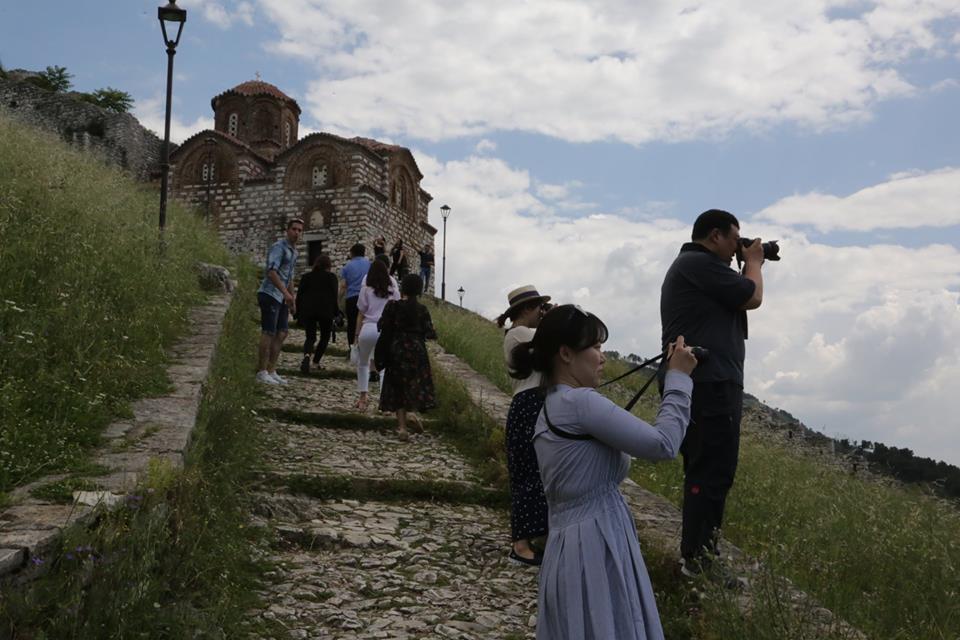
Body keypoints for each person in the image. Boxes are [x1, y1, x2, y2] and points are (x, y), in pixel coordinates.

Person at [511, 304, 697, 639]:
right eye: (595, 347)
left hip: (568, 545)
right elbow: (663, 444)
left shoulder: (552, 403)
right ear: (566, 354)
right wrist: (679, 378)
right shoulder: (581, 403)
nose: (602, 357)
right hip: (597, 544)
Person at [659, 208, 765, 577]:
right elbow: (751, 296)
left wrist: (744, 259)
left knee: (705, 469)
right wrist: (754, 262)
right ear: (716, 236)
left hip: (704, 381)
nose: (739, 246)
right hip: (710, 382)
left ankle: (699, 554)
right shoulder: (698, 263)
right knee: (713, 470)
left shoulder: (696, 267)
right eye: (735, 239)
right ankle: (699, 560)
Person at [497, 285, 552, 566]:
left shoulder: (525, 336)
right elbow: (554, 337)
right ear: (528, 309)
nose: (543, 313)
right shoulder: (519, 334)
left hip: (533, 403)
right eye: (540, 308)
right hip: (529, 405)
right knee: (528, 474)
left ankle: (532, 538)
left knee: (536, 472)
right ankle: (520, 545)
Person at [377, 274, 437, 441]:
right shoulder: (422, 310)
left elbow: (381, 325)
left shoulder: (392, 306)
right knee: (414, 383)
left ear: (402, 288)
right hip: (417, 350)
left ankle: (402, 428)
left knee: (397, 386)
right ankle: (412, 413)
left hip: (397, 349)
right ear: (419, 291)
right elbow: (430, 333)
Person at [256, 218, 303, 385]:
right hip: (270, 293)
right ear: (287, 230)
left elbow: (289, 277)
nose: (297, 233)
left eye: (299, 230)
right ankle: (261, 371)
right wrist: (285, 292)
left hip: (282, 296)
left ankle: (271, 369)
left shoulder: (294, 252)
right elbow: (271, 271)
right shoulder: (279, 247)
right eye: (294, 229)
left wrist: (292, 298)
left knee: (282, 332)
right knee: (268, 331)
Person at [354, 259, 399, 411]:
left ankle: (362, 399)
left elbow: (360, 314)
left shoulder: (365, 289)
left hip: (367, 328)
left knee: (363, 363)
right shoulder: (393, 290)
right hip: (385, 330)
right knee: (384, 368)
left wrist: (356, 335)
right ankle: (384, 403)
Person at [294, 253, 339, 374]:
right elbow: (335, 296)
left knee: (310, 336)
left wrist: (298, 312)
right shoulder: (332, 277)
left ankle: (307, 356)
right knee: (325, 337)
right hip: (326, 311)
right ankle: (315, 362)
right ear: (328, 265)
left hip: (309, 310)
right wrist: (336, 312)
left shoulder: (307, 277)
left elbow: (299, 296)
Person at [339, 243, 371, 356]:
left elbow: (343, 285)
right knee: (364, 323)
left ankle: (352, 349)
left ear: (352, 253)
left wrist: (338, 300)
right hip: (367, 298)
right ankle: (365, 349)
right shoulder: (370, 265)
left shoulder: (347, 267)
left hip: (352, 298)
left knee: (352, 324)